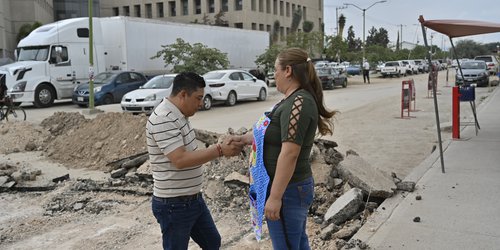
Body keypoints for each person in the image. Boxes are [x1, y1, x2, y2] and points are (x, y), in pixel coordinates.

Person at [236, 48, 336, 249]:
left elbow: (290, 153)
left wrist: (274, 197)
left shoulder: (298, 103)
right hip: (285, 188)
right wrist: (244, 139)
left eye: (276, 69)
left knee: (287, 246)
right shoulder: (292, 101)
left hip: (288, 190)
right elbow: (271, 137)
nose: (275, 75)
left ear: (288, 70)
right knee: (295, 243)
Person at [146, 72, 244, 250]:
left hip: (193, 199)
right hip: (174, 204)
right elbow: (180, 159)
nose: (201, 103)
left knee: (212, 242)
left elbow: (190, 153)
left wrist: (220, 146)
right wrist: (220, 150)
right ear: (183, 94)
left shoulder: (180, 115)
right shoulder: (164, 118)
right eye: (198, 98)